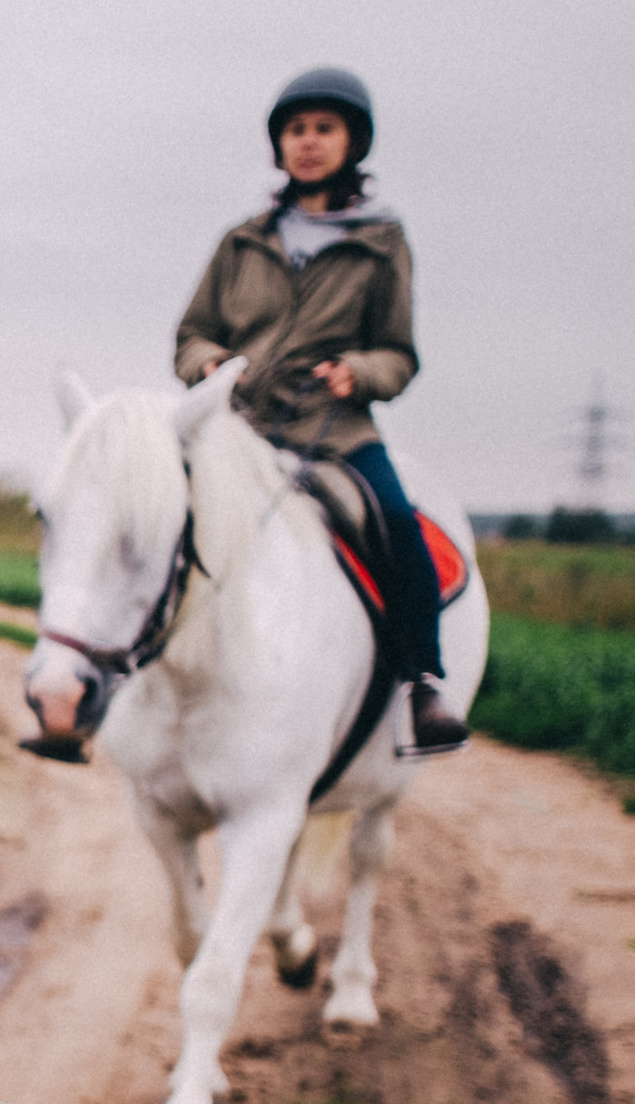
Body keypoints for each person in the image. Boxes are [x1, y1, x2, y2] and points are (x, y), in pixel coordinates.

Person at [175, 65, 470, 754]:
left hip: (335, 432)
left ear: (353, 142)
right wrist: (207, 364)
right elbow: (190, 334)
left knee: (396, 521)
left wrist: (360, 372)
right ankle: (126, 670)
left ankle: (422, 679)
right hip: (238, 427)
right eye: (295, 129)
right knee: (159, 513)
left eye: (324, 129)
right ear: (279, 144)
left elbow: (399, 353)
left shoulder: (381, 242)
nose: (308, 142)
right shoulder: (241, 240)